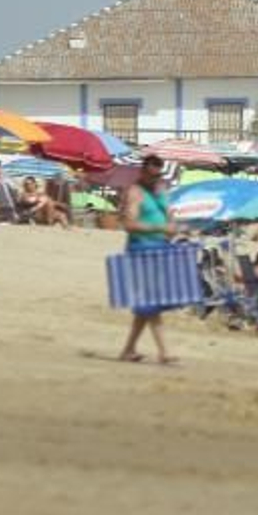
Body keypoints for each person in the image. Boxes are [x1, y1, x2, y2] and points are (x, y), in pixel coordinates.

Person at [116, 156, 178, 364]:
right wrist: (160, 228)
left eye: (157, 175)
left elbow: (169, 217)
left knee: (146, 306)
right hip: (141, 250)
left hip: (160, 248)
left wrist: (171, 224)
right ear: (142, 172)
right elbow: (129, 224)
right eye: (151, 175)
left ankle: (128, 349)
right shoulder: (135, 192)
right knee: (151, 303)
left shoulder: (161, 191)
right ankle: (164, 352)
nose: (154, 179)